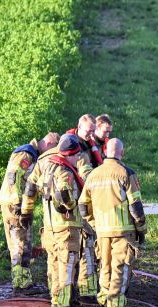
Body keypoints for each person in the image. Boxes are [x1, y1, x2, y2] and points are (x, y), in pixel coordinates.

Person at [21, 134, 93, 307]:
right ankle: (64, 303)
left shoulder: (45, 164)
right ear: (68, 155)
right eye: (76, 155)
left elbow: (30, 187)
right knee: (67, 264)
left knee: (53, 263)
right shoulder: (65, 170)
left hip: (50, 225)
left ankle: (55, 299)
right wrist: (69, 205)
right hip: (67, 226)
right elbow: (64, 192)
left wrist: (26, 212)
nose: (78, 158)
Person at [78, 138, 146, 307]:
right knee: (120, 270)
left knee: (105, 268)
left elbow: (83, 206)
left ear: (105, 152)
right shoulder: (126, 173)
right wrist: (141, 229)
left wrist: (94, 223)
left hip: (102, 232)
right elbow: (136, 207)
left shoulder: (93, 175)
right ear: (122, 153)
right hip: (123, 233)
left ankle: (104, 304)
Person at [0, 132, 59, 290]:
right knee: (20, 243)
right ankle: (21, 283)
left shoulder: (32, 154)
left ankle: (22, 280)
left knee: (24, 243)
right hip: (14, 204)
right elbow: (14, 176)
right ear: (49, 143)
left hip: (18, 203)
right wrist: (18, 203)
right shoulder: (27, 153)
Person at [65, 114, 101, 297]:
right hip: (81, 198)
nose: (91, 134)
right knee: (87, 242)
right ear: (79, 126)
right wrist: (100, 183)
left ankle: (85, 286)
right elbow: (86, 172)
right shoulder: (75, 148)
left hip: (86, 197)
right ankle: (87, 289)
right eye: (89, 131)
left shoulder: (88, 143)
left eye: (93, 131)